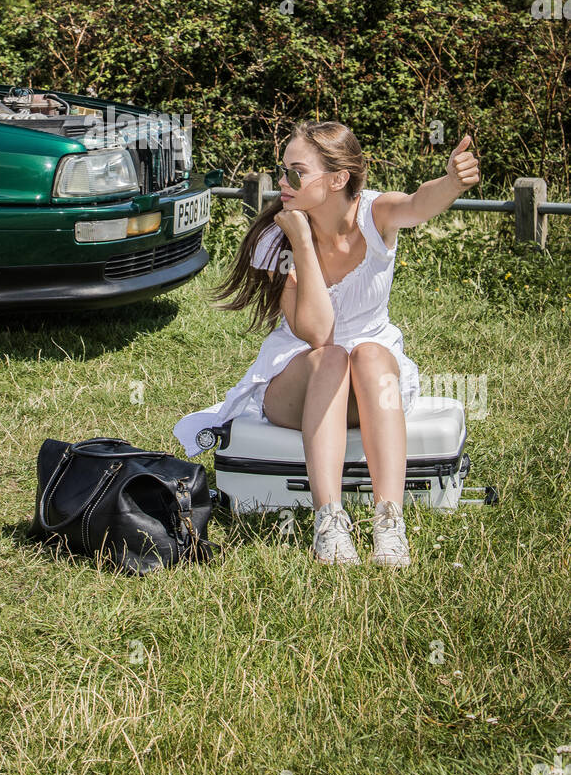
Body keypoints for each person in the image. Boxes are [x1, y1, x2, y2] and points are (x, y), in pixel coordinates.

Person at [173, 120, 480, 567]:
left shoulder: (376, 215)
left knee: (372, 354)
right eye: (283, 171)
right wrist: (300, 242)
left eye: (296, 172)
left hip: (373, 386)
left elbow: (417, 203)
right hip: (300, 382)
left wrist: (452, 180)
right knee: (333, 355)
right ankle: (329, 520)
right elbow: (318, 333)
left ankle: (389, 521)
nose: (283, 182)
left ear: (337, 179)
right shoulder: (276, 238)